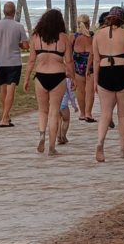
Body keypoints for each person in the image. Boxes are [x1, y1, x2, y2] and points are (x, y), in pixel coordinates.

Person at [92, 6, 124, 162]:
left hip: (104, 73)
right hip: (123, 72)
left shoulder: (98, 35)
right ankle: (122, 149)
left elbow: (96, 60)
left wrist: (95, 81)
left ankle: (100, 142)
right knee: (122, 115)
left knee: (105, 113)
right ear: (122, 19)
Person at [24, 9, 73, 155]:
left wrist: (26, 78)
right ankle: (52, 146)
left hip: (41, 76)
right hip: (58, 76)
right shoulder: (64, 38)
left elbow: (31, 60)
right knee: (53, 112)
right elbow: (69, 61)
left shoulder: (36, 37)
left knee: (42, 111)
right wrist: (74, 78)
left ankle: (41, 136)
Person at [0, 2, 29, 127]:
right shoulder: (19, 26)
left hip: (0, 61)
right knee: (11, 89)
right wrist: (19, 44)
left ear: (3, 11)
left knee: (3, 88)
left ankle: (6, 115)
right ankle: (5, 118)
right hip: (14, 62)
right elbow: (26, 45)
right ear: (15, 12)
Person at [72, 14, 96, 123]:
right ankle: (88, 113)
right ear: (89, 23)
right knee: (90, 90)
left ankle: (82, 113)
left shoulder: (73, 37)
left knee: (80, 90)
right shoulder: (93, 37)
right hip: (91, 66)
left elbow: (68, 55)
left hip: (78, 65)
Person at [58, 77, 79, 145]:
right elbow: (71, 94)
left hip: (55, 105)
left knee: (58, 121)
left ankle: (59, 136)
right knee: (66, 120)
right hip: (64, 105)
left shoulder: (54, 78)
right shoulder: (67, 80)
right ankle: (63, 136)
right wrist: (74, 106)